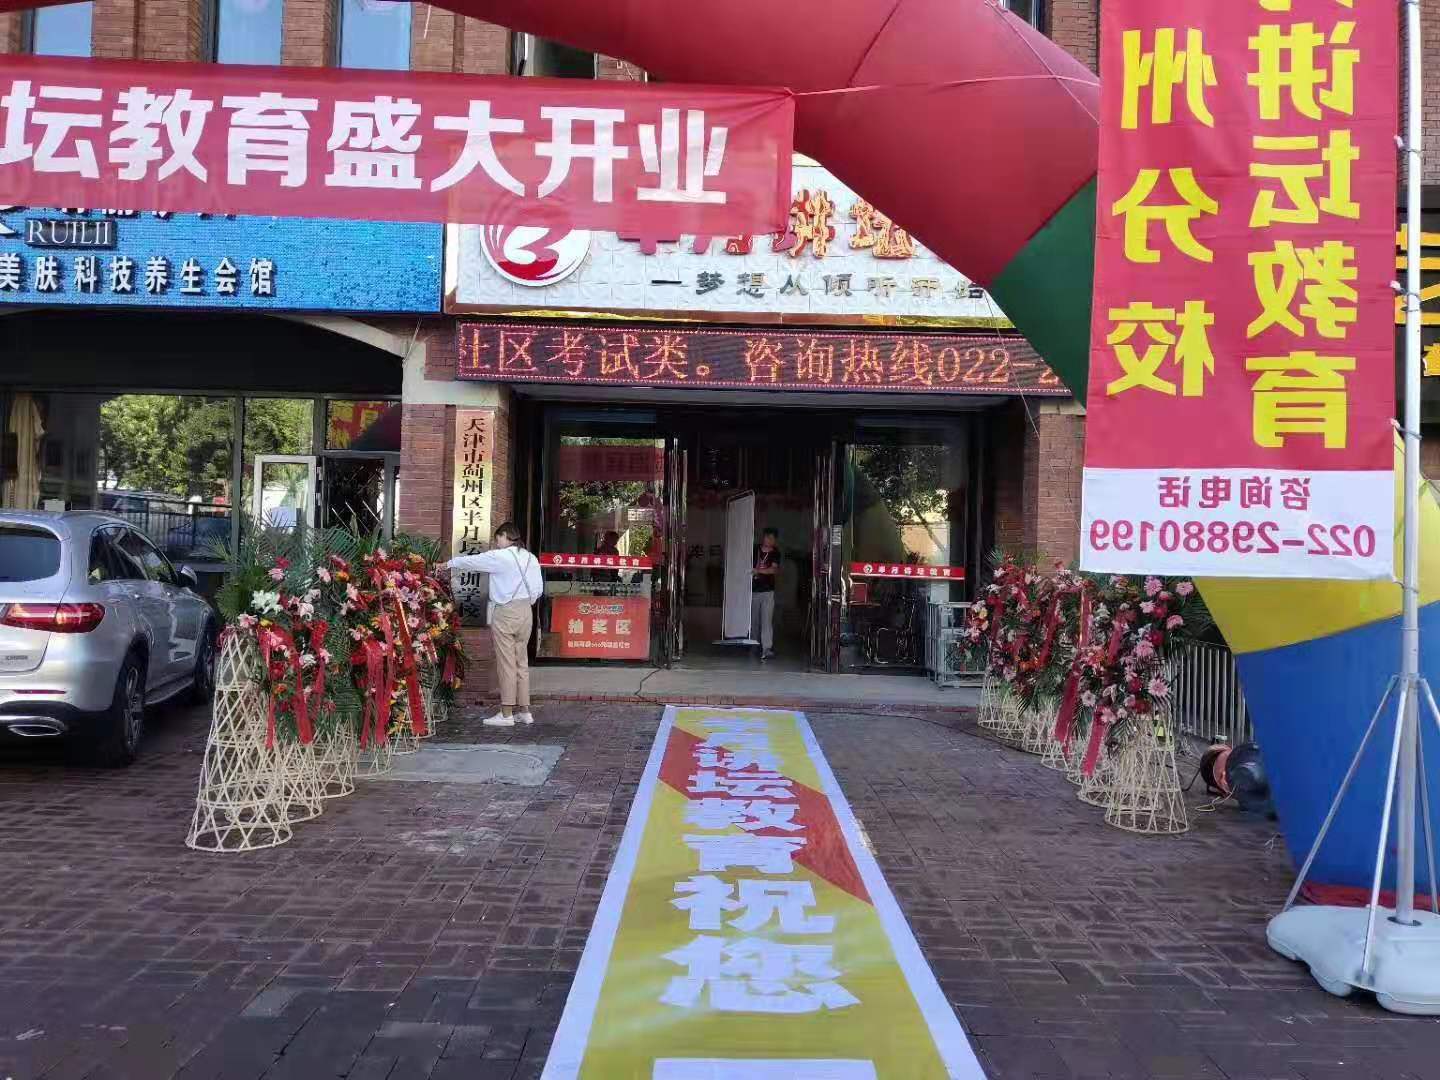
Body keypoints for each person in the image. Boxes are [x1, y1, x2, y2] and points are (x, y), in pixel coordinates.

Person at [446, 522, 544, 727]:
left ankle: (506, 713)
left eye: (498, 538)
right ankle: (525, 711)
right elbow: (538, 589)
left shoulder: (500, 556)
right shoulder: (531, 558)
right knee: (521, 662)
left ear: (505, 536)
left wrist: (449, 563)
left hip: (506, 612)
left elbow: (473, 562)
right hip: (526, 611)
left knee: (506, 663)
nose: (496, 542)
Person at [752, 527, 781, 662]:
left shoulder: (775, 553)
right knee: (753, 620)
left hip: (768, 592)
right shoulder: (754, 549)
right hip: (753, 591)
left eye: (772, 538)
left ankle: (766, 648)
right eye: (767, 537)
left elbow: (773, 570)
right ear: (763, 537)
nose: (769, 541)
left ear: (775, 540)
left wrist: (758, 571)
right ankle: (753, 644)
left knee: (766, 621)